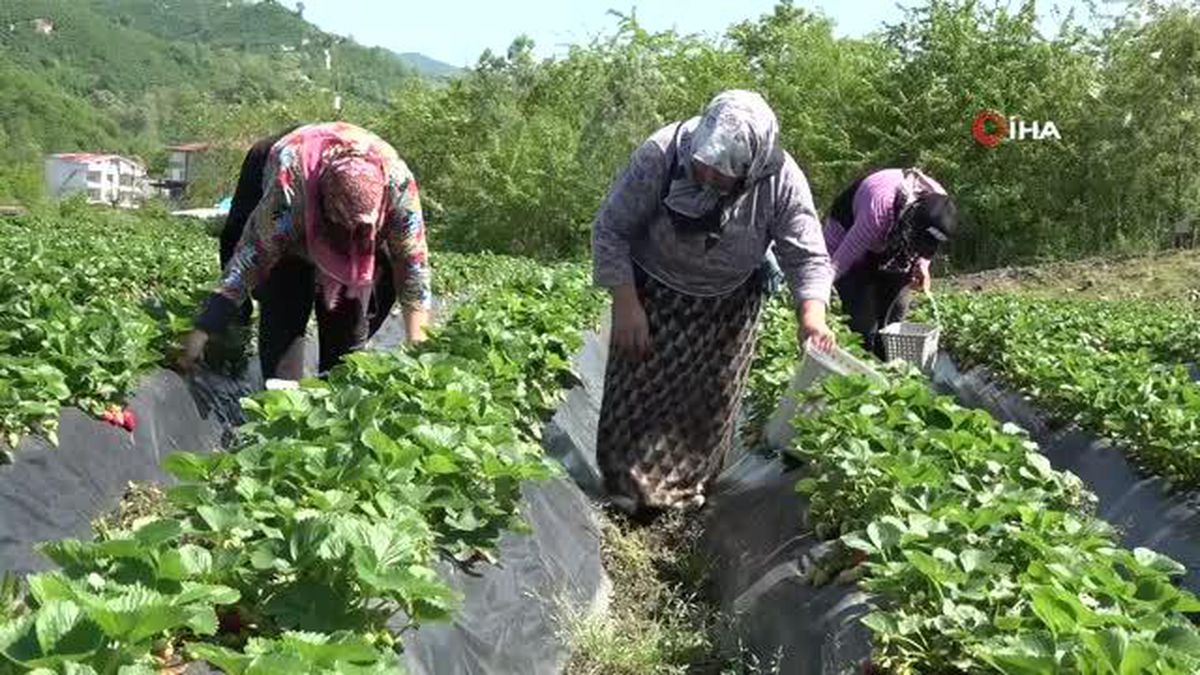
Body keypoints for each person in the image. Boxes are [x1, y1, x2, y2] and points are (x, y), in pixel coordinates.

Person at [591, 90, 836, 520]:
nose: (708, 179)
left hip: (730, 303)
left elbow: (807, 255)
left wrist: (811, 316)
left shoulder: (780, 179)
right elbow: (611, 228)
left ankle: (681, 503)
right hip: (653, 289)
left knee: (707, 404)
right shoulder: (662, 154)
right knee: (637, 390)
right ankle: (624, 496)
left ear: (752, 166)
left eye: (723, 177)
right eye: (703, 168)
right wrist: (626, 304)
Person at [177, 122, 432, 378]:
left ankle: (336, 390)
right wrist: (202, 331)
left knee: (346, 345)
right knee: (283, 305)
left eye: (357, 234)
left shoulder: (399, 190)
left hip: (354, 197)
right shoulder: (289, 194)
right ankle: (250, 346)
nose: (345, 241)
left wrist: (418, 353)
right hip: (288, 173)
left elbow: (414, 270)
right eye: (338, 233)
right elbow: (248, 259)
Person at [822, 168, 958, 358]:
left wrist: (922, 266)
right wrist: (814, 300)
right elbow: (837, 265)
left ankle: (889, 367)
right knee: (863, 319)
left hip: (893, 238)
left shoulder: (941, 208)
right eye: (916, 242)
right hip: (848, 236)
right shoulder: (878, 211)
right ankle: (862, 368)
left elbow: (926, 247)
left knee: (896, 312)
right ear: (910, 223)